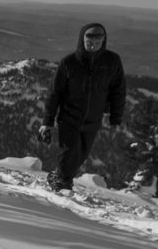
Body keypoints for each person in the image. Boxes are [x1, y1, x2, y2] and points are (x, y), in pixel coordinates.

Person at [38, 23, 126, 192]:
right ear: (82, 40)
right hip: (69, 116)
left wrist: (116, 118)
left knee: (82, 154)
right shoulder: (69, 62)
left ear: (104, 41)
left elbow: (118, 90)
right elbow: (54, 93)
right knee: (69, 151)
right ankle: (63, 183)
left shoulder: (112, 61)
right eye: (89, 40)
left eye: (98, 41)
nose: (93, 44)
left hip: (94, 117)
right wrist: (47, 121)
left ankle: (59, 176)